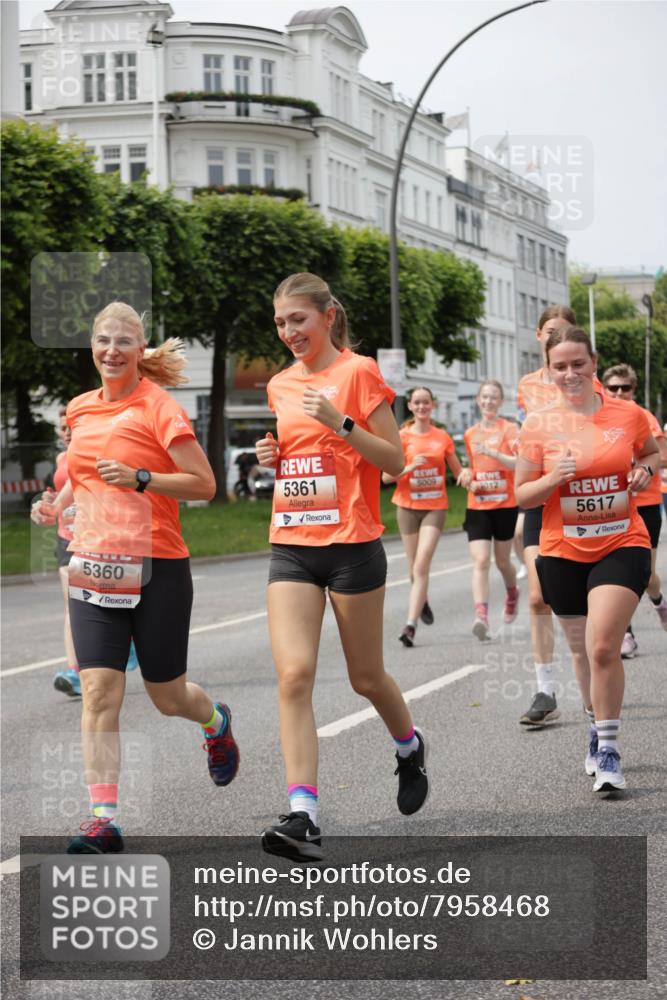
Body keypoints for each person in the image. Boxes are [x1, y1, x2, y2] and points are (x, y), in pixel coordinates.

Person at [31, 302, 239, 852]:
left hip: (157, 568)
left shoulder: (160, 408)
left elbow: (204, 484)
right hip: (95, 564)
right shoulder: (79, 409)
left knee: (167, 696)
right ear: (92, 346)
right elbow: (84, 470)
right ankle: (104, 818)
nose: (111, 350)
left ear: (139, 351)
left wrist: (143, 478)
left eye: (123, 341)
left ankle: (215, 722)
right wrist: (57, 505)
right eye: (103, 340)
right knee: (100, 691)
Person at [254, 273, 428, 862]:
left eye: (297, 320)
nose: (288, 332)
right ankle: (304, 814)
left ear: (328, 317)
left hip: (353, 545)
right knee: (294, 675)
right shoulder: (278, 385)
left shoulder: (358, 372)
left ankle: (408, 746)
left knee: (366, 678)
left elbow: (396, 462)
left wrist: (340, 421)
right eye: (280, 323)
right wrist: (273, 455)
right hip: (293, 543)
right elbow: (299, 457)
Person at [516, 325, 658, 795]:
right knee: (581, 653)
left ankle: (611, 750)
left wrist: (643, 470)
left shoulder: (628, 413)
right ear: (549, 370)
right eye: (561, 366)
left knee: (602, 647)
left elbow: (654, 453)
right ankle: (594, 728)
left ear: (593, 364)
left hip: (622, 541)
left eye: (579, 364)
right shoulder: (537, 425)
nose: (571, 373)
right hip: (562, 552)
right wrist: (552, 477)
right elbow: (522, 497)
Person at [515, 304, 577, 727]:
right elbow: (529, 443)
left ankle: (600, 666)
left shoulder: (581, 378)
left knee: (581, 607)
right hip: (542, 498)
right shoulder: (527, 386)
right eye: (551, 331)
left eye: (566, 331)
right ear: (539, 336)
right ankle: (546, 688)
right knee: (537, 596)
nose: (557, 337)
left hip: (582, 502)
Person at [49, 409, 139, 697]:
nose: (65, 432)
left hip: (101, 537)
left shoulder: (100, 453)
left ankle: (131, 641)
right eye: (61, 427)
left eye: (70, 426)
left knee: (113, 600)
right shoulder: (61, 459)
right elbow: (63, 492)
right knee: (72, 603)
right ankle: (75, 672)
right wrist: (48, 506)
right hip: (68, 538)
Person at [382, 386, 462, 647]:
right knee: (413, 567)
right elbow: (385, 477)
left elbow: (458, 473)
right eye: (417, 403)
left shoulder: (442, 437)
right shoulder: (401, 437)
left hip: (434, 507)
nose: (422, 407)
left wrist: (471, 476)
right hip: (406, 506)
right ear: (411, 407)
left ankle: (410, 625)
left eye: (426, 402)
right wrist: (408, 468)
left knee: (420, 566)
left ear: (433, 405)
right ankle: (422, 599)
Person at [602, 364, 667, 656]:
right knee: (617, 574)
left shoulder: (644, 417)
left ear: (633, 390)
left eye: (624, 388)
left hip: (645, 504)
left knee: (646, 576)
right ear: (604, 389)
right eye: (613, 388)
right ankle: (625, 634)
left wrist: (638, 465)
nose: (618, 393)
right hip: (611, 506)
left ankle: (658, 601)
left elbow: (662, 457)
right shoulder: (597, 419)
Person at [459, 379, 520, 640]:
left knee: (504, 561)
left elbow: (518, 463)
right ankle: (481, 616)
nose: (488, 402)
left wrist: (495, 453)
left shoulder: (510, 429)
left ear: (501, 401)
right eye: (484, 397)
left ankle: (512, 592)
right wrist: (466, 475)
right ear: (478, 400)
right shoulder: (470, 433)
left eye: (493, 397)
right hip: (478, 505)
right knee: (481, 560)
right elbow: (471, 466)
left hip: (505, 504)